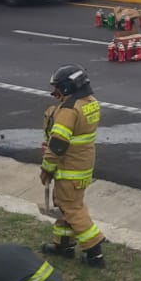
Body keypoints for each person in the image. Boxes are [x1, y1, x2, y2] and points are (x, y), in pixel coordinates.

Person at [39, 64, 105, 267]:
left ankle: (95, 253)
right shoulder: (90, 103)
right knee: (66, 205)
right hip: (83, 165)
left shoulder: (68, 111)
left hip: (69, 168)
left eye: (57, 88)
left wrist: (47, 169)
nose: (54, 92)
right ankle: (63, 245)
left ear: (67, 88)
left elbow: (58, 145)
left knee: (72, 208)